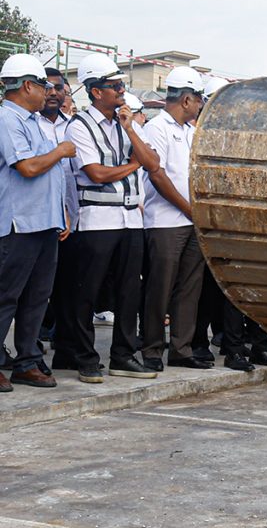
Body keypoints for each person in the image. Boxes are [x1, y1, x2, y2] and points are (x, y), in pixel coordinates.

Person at [57, 53, 161, 383]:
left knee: (130, 292)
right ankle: (84, 357)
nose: (121, 90)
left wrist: (131, 131)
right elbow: (97, 174)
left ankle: (123, 356)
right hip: (97, 220)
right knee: (85, 292)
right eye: (114, 86)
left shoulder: (124, 122)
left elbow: (153, 163)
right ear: (96, 91)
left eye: (121, 84)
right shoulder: (79, 126)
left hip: (130, 220)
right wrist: (134, 165)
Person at [0, 54, 74, 389]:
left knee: (36, 298)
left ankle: (26, 361)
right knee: (7, 296)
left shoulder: (32, 121)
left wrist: (62, 214)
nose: (48, 91)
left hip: (44, 223)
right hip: (19, 224)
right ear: (27, 85)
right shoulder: (6, 119)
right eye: (43, 84)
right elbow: (28, 168)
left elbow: (50, 174)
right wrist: (60, 150)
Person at [139, 67, 209, 371]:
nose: (201, 105)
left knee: (189, 288)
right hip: (166, 222)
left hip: (191, 221)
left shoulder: (190, 131)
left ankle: (181, 348)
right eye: (199, 100)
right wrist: (187, 208)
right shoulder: (157, 128)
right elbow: (158, 175)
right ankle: (152, 349)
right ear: (186, 99)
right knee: (160, 288)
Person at [38, 68, 79, 352]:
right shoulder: (27, 124)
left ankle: (65, 348)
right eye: (48, 87)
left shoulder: (74, 126)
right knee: (33, 290)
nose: (53, 92)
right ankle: (26, 347)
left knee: (69, 287)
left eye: (59, 88)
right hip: (38, 219)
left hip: (72, 221)